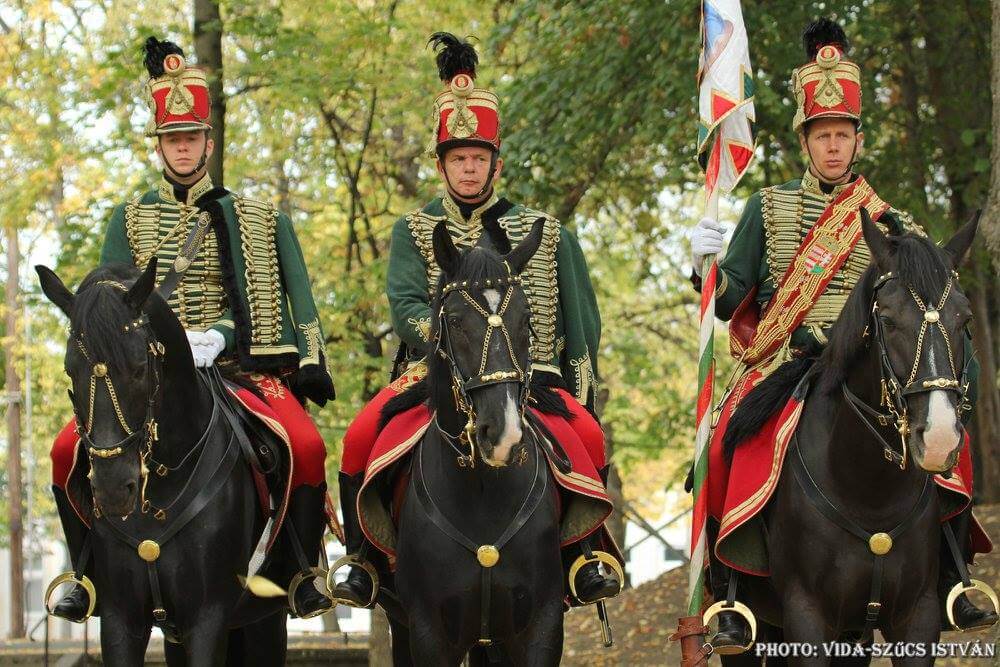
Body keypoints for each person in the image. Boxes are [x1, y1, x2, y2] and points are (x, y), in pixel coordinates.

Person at [691, 18, 996, 647]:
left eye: (843, 135)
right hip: (788, 367)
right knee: (726, 443)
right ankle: (733, 589)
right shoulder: (767, 209)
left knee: (949, 442)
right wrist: (704, 266)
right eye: (822, 135)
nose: (833, 146)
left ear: (858, 140)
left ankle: (954, 574)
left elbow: (927, 310)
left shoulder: (893, 221)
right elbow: (727, 303)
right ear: (806, 141)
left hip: (878, 374)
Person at [49, 37, 336, 621]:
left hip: (231, 367)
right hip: (145, 377)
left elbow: (286, 300)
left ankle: (306, 572)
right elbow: (104, 309)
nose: (183, 148)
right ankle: (85, 573)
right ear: (161, 147)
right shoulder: (128, 218)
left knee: (306, 446)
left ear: (209, 140)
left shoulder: (254, 217)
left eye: (192, 137)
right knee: (62, 451)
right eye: (172, 140)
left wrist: (224, 337)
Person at [332, 33, 620, 609]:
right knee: (361, 435)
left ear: (497, 163)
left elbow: (581, 321)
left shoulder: (548, 231)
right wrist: (448, 346)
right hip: (437, 376)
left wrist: (580, 391)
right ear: (442, 165)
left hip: (529, 378)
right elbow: (407, 307)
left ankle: (585, 555)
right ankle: (362, 562)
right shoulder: (413, 231)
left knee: (586, 437)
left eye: (478, 158)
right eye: (458, 159)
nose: (469, 169)